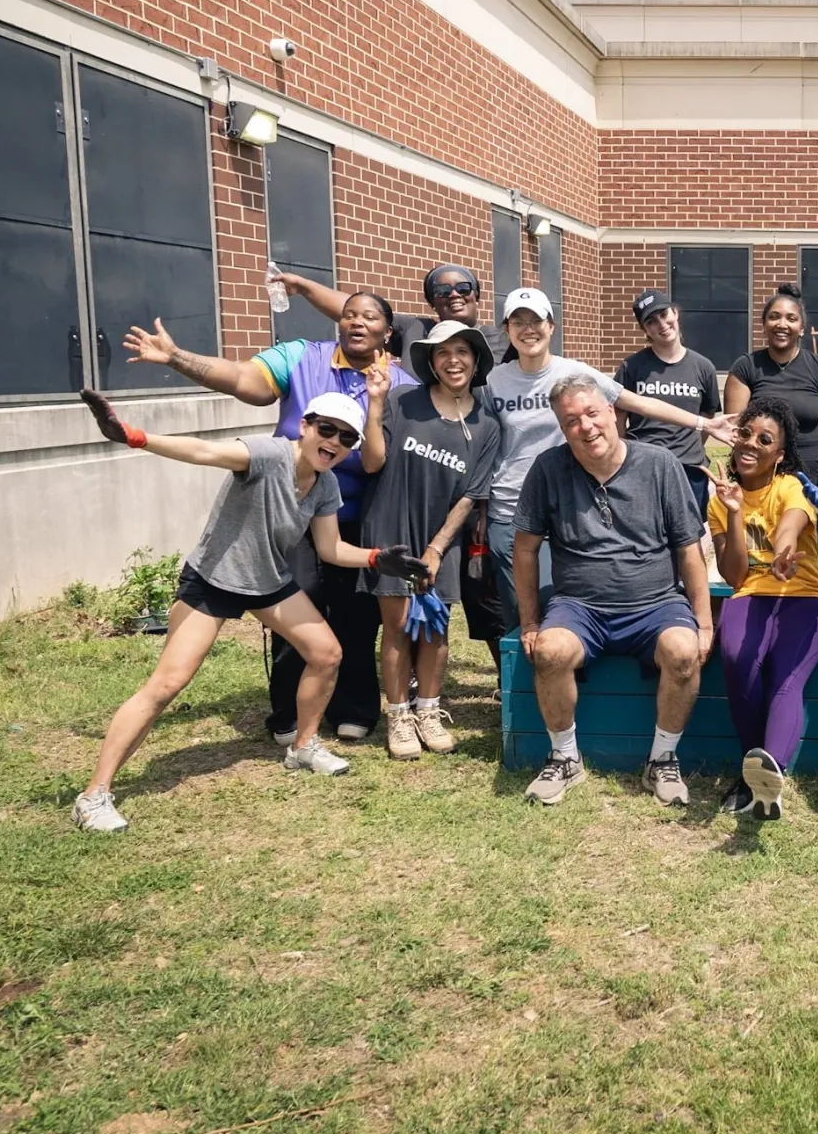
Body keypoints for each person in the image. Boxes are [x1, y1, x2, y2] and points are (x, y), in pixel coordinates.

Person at [69, 389, 430, 832]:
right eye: (326, 429)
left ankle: (303, 747)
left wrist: (376, 558)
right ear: (305, 426)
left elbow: (331, 549)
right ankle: (93, 796)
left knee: (326, 653)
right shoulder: (267, 454)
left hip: (268, 582)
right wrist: (133, 436)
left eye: (346, 438)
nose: (334, 442)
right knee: (166, 684)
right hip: (214, 580)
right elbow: (203, 451)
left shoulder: (325, 485)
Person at [119, 296, 417, 744]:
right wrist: (176, 357)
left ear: (387, 332)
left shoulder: (402, 383)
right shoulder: (302, 356)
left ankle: (353, 707)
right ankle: (288, 712)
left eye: (369, 317)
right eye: (349, 314)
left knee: (356, 615)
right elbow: (243, 379)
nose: (357, 323)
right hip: (291, 511)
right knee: (295, 601)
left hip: (361, 514)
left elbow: (383, 459)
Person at [485, 288, 737, 663]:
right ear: (507, 329)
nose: (528, 329)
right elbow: (483, 440)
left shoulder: (575, 374)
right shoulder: (494, 381)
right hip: (509, 506)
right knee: (523, 614)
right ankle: (520, 689)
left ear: (551, 326)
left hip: (569, 504)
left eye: (536, 320)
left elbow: (638, 403)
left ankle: (584, 678)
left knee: (561, 605)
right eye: (518, 322)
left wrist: (704, 423)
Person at [513, 374, 713, 808]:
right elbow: (525, 549)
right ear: (562, 428)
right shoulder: (548, 469)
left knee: (683, 652)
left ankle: (662, 760)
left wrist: (704, 623)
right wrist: (529, 622)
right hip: (578, 606)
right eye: (571, 421)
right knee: (549, 651)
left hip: (656, 604)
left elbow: (689, 549)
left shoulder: (660, 464)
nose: (585, 427)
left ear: (613, 412)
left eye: (592, 413)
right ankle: (565, 757)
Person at [360, 321, 501, 759]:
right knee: (398, 625)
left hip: (443, 537)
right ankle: (399, 716)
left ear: (476, 361)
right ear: (431, 362)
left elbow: (470, 496)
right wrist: (375, 404)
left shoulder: (486, 423)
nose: (453, 360)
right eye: (442, 353)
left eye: (462, 351)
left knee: (436, 627)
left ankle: (428, 710)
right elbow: (371, 463)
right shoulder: (403, 401)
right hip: (391, 527)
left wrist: (437, 549)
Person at [704, 399, 818, 822]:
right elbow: (735, 575)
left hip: (802, 597)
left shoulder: (789, 485)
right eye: (745, 433)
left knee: (785, 680)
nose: (751, 444)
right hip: (750, 594)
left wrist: (782, 552)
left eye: (765, 439)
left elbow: (793, 522)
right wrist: (735, 513)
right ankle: (756, 775)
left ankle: (766, 775)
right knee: (738, 660)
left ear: (779, 454)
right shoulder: (720, 500)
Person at [619, 290, 724, 518]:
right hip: (643, 468)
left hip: (689, 469)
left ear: (675, 313)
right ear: (645, 330)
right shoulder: (631, 367)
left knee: (689, 535)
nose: (661, 324)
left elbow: (708, 417)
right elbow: (618, 419)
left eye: (664, 314)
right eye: (651, 321)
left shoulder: (703, 367)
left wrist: (689, 448)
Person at [723, 283, 818, 474]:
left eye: (791, 318)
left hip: (813, 472)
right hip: (762, 472)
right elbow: (735, 427)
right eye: (774, 317)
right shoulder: (746, 367)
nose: (782, 324)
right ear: (764, 325)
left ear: (801, 329)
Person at [272, 263, 501, 358]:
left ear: (476, 295)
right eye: (442, 291)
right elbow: (359, 312)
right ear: (432, 303)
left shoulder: (501, 339)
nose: (454, 295)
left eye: (463, 288)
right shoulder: (416, 330)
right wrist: (303, 286)